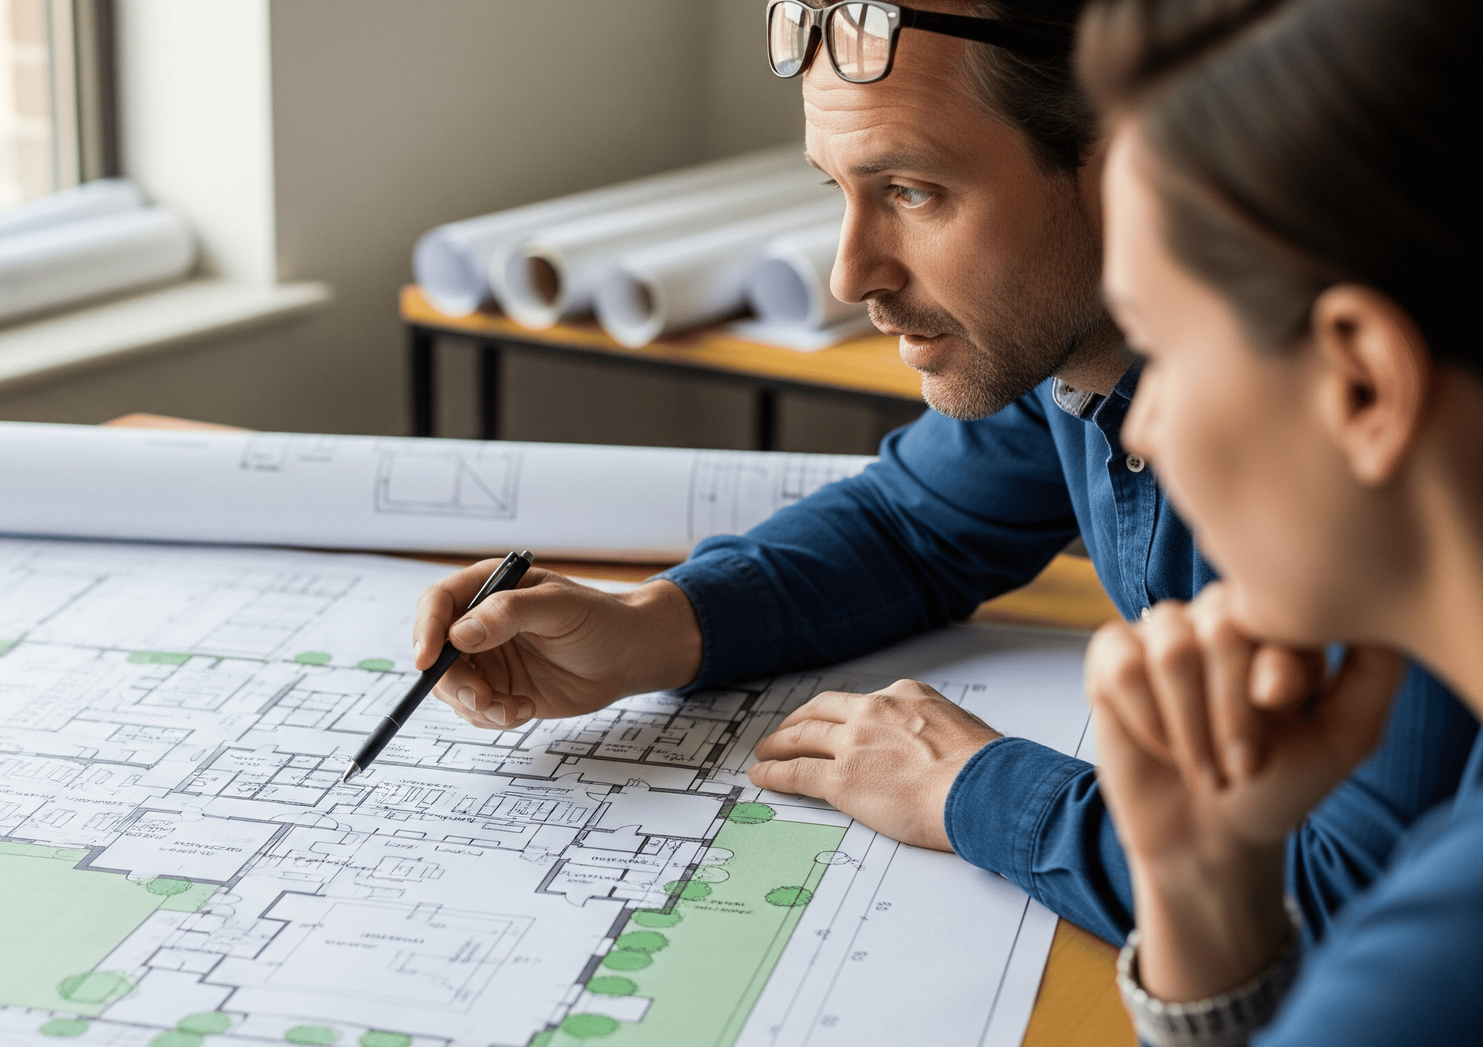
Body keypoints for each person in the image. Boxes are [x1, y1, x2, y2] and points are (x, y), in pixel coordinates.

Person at [407, 0, 1478, 949]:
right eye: (838, 189)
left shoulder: (1347, 439)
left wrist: (980, 792)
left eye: (914, 191)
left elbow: (1356, 899)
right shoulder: (1066, 350)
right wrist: (656, 626)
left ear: (1123, 166)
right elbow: (913, 525)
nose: (847, 274)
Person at [1073, 0, 1477, 1041]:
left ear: (1361, 383)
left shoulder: (1442, 959)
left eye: (1159, 347)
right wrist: (1204, 901)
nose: (1145, 429)